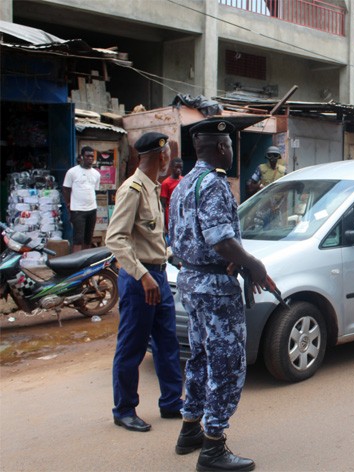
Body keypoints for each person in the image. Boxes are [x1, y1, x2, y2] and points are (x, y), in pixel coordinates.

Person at [170, 119, 273, 471]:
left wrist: (227, 260)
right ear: (219, 148)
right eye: (229, 145)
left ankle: (189, 430)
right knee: (226, 365)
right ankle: (213, 446)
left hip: (192, 282)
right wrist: (252, 264)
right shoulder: (213, 184)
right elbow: (220, 239)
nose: (231, 151)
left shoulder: (184, 184)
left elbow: (183, 240)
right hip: (214, 291)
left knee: (199, 357)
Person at [105, 132, 183, 432]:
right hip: (140, 281)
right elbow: (116, 239)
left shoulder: (152, 188)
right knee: (132, 347)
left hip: (158, 276)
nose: (168, 160)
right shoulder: (133, 190)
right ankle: (124, 409)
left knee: (167, 343)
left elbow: (149, 237)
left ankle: (172, 403)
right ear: (161, 156)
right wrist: (143, 275)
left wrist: (169, 255)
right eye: (167, 155)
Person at [63, 146, 101, 253]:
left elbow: (95, 191)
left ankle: (86, 262)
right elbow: (66, 189)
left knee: (88, 239)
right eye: (87, 156)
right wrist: (69, 204)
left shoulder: (96, 174)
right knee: (78, 239)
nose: (90, 158)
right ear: (81, 157)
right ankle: (76, 264)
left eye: (92, 156)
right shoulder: (72, 172)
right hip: (78, 210)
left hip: (92, 209)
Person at [160, 157, 183, 231]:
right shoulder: (166, 183)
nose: (178, 170)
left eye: (180, 167)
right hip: (171, 216)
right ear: (171, 167)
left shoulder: (184, 180)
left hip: (182, 214)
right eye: (176, 167)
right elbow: (163, 205)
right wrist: (163, 225)